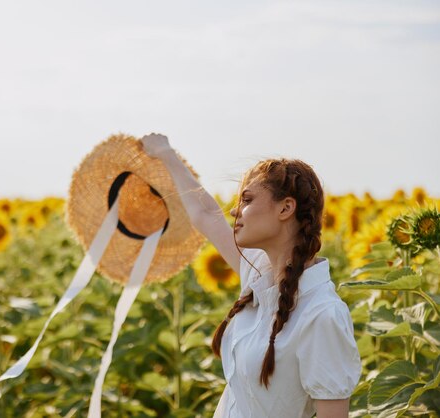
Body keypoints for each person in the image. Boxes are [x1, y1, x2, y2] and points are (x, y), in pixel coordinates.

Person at [141, 133, 362, 418]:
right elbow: (207, 213)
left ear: (285, 208)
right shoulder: (260, 273)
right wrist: (165, 153)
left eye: (247, 199)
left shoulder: (322, 314)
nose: (234, 210)